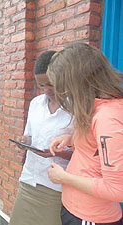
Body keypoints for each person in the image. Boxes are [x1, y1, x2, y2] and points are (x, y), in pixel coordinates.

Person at [47, 43, 123, 225]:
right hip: (76, 210)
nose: (67, 96)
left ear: (80, 83)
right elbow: (97, 146)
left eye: (66, 89)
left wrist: (64, 178)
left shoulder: (108, 118)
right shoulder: (98, 107)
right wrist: (72, 140)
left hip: (91, 217)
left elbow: (117, 189)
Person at [8, 50, 73, 225]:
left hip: (55, 187)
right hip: (29, 179)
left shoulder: (76, 110)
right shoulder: (36, 104)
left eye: (50, 84)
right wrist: (24, 142)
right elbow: (30, 136)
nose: (47, 90)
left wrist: (57, 153)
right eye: (41, 85)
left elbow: (83, 153)